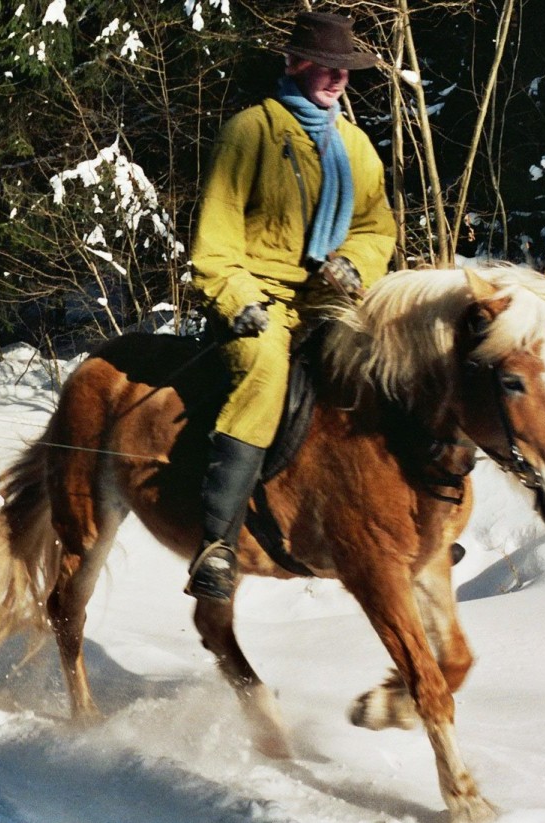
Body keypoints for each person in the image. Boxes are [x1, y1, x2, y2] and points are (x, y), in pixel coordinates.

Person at [186, 11, 397, 602]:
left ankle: (401, 524)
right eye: (326, 66)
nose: (337, 78)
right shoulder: (249, 132)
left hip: (329, 298)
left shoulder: (355, 145)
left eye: (345, 69)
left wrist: (353, 263)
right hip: (259, 300)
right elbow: (215, 240)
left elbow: (376, 228)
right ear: (296, 64)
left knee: (385, 365)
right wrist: (237, 298)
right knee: (263, 373)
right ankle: (217, 545)